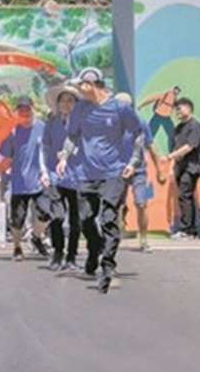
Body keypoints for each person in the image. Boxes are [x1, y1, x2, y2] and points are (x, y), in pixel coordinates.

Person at [57, 67, 141, 294]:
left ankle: (107, 265)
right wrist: (64, 156)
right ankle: (94, 249)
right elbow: (73, 136)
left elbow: (138, 133)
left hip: (114, 172)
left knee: (109, 218)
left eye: (81, 86)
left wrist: (133, 161)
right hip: (87, 174)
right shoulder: (80, 109)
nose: (78, 90)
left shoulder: (119, 108)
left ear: (92, 84)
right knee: (86, 219)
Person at [0, 97, 50, 262]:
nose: (25, 113)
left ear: (33, 109)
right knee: (17, 220)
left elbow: (52, 151)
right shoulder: (13, 131)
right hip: (18, 183)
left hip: (40, 181)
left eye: (27, 109)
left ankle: (36, 236)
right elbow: (2, 155)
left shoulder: (43, 128)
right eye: (21, 110)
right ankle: (17, 247)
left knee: (46, 213)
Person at [43, 85, 82, 271]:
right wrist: (43, 171)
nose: (65, 104)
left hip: (76, 176)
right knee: (57, 216)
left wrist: (69, 153)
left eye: (70, 100)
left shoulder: (82, 123)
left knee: (76, 219)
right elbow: (44, 146)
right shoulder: (51, 122)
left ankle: (71, 256)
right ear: (57, 104)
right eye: (62, 100)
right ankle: (58, 252)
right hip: (54, 175)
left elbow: (86, 146)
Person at [116, 93, 163, 252]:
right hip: (117, 170)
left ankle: (143, 239)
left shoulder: (139, 122)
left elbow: (151, 146)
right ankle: (115, 231)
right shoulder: (110, 122)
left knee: (141, 203)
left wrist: (159, 171)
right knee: (115, 204)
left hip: (138, 169)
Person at [166, 98, 200, 239]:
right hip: (181, 166)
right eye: (176, 109)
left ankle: (188, 230)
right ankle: (191, 230)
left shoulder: (195, 126)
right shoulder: (178, 128)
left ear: (189, 108)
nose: (177, 112)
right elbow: (176, 148)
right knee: (184, 196)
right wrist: (171, 167)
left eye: (180, 108)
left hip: (192, 166)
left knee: (185, 194)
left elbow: (189, 146)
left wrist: (170, 156)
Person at [138, 85, 180, 150]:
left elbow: (177, 110)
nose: (175, 93)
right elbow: (150, 99)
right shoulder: (162, 95)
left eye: (177, 92)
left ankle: (172, 153)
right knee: (149, 134)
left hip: (166, 118)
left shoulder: (175, 100)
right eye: (174, 90)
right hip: (158, 116)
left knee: (172, 135)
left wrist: (177, 121)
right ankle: (143, 150)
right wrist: (141, 105)